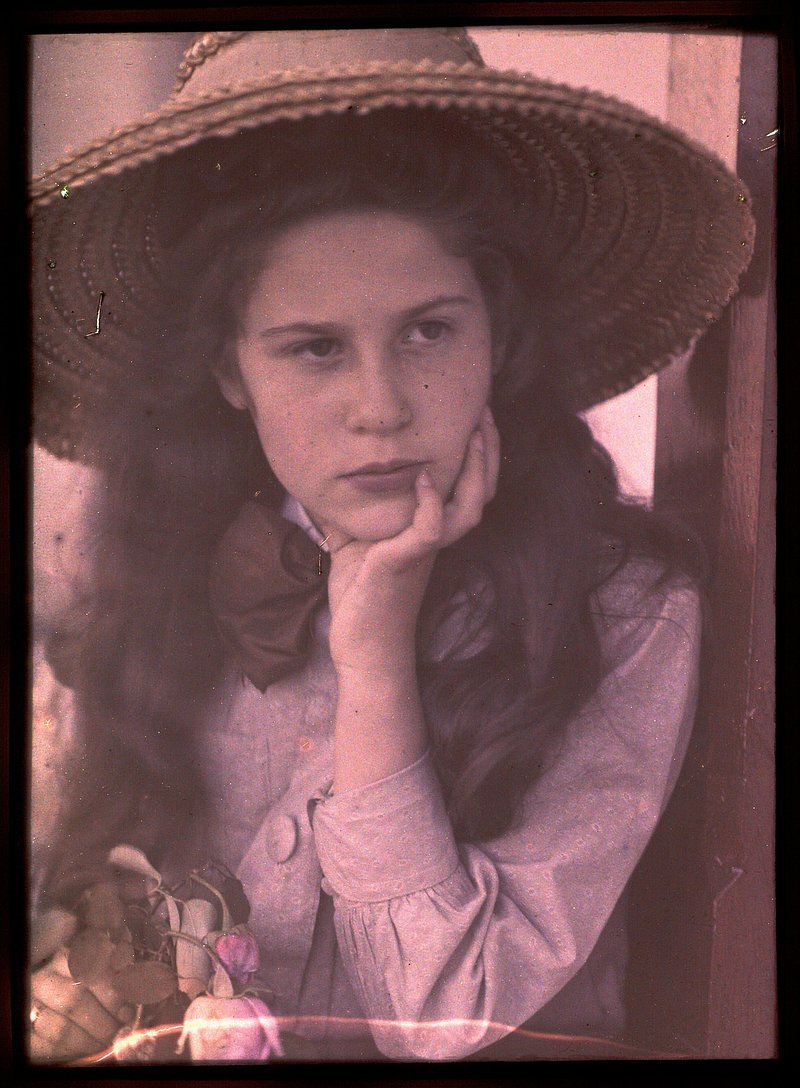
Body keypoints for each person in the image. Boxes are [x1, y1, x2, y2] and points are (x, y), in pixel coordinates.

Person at [28, 28, 754, 1063]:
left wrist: (374, 657)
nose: (380, 406)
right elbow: (94, 925)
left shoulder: (628, 612)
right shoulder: (149, 574)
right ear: (230, 370)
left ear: (497, 334)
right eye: (315, 348)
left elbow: (440, 1017)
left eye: (428, 331)